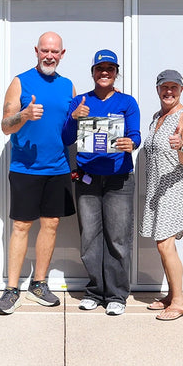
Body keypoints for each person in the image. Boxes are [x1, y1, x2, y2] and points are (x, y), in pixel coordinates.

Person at [0, 31, 77, 315]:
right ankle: (11, 289)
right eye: (45, 50)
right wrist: (24, 115)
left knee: (51, 224)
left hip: (58, 168)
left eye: (55, 51)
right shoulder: (21, 82)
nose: (49, 56)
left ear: (62, 54)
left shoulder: (68, 86)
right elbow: (6, 125)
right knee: (21, 226)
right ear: (36, 51)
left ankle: (39, 284)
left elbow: (71, 131)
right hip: (25, 168)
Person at [63, 49, 141, 316]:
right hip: (87, 179)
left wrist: (132, 143)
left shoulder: (127, 102)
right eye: (100, 69)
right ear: (93, 72)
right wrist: (74, 118)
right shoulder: (80, 101)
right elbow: (66, 138)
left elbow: (135, 134)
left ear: (116, 72)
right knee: (90, 239)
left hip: (119, 179)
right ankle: (95, 291)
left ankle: (117, 294)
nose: (104, 73)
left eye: (110, 69)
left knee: (118, 239)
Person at [140, 69, 183, 321]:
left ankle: (179, 301)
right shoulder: (157, 117)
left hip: (174, 186)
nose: (169, 91)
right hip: (156, 186)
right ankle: (171, 295)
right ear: (157, 89)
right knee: (161, 244)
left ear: (181, 90)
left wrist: (181, 146)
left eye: (174, 87)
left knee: (166, 243)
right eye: (165, 87)